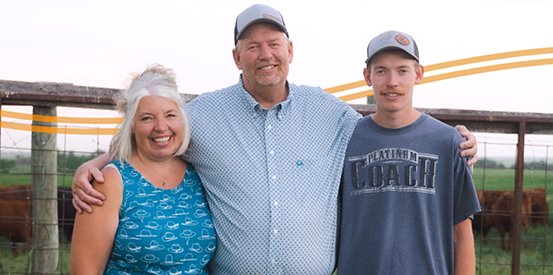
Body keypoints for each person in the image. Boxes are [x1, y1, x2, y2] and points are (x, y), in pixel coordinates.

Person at [72, 5, 478, 274]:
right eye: (253, 46)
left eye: (273, 44)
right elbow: (156, 129)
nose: (265, 54)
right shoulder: (204, 114)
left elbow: (392, 122)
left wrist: (453, 139)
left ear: (290, 50)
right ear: (237, 57)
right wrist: (97, 164)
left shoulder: (329, 111)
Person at [337, 30, 481, 275]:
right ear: (367, 76)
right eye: (381, 70)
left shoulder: (448, 142)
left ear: (419, 74)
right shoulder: (344, 140)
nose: (392, 81)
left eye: (402, 70)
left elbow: (462, 235)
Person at [70, 64, 216, 274]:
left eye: (170, 115)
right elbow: (85, 270)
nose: (161, 127)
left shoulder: (197, 173)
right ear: (131, 125)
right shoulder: (110, 182)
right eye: (147, 118)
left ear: (182, 118)